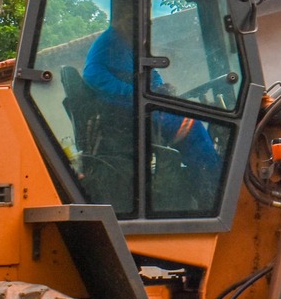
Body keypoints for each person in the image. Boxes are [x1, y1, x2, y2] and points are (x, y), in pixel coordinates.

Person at [83, 22, 223, 195]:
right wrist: (136, 93)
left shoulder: (130, 41)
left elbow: (151, 72)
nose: (147, 23)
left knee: (192, 118)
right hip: (124, 113)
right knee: (190, 126)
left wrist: (159, 89)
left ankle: (204, 184)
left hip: (139, 106)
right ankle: (215, 191)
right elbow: (91, 74)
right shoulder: (111, 41)